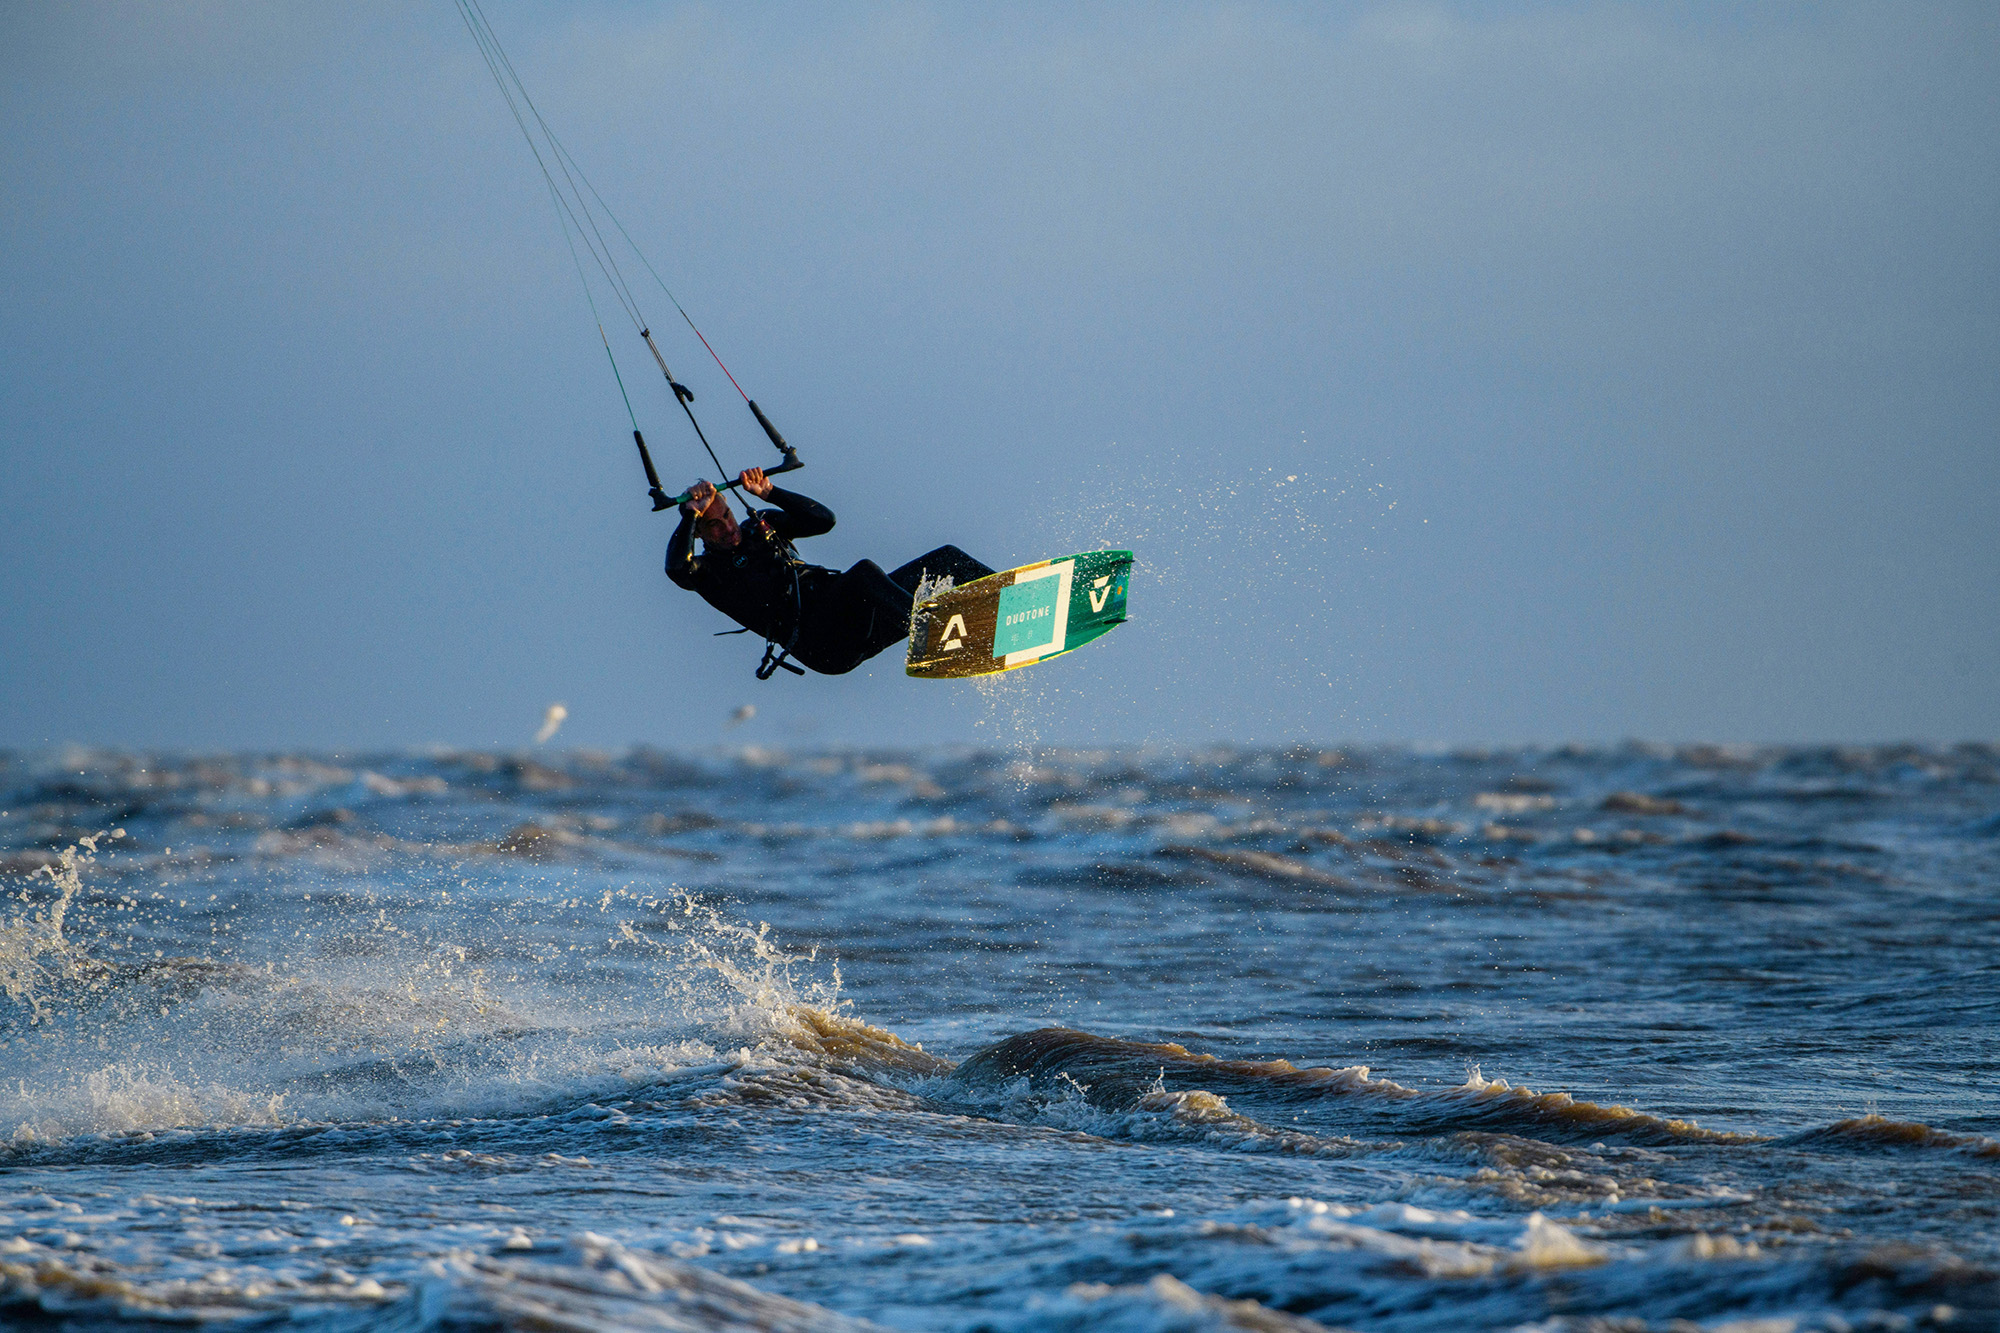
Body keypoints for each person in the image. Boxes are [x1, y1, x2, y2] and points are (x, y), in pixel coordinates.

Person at [666, 467, 993, 675]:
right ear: (699, 534)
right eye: (715, 526)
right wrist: (689, 515)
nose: (727, 527)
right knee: (864, 572)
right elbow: (677, 568)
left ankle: (1010, 599)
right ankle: (935, 636)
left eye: (727, 516)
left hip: (854, 617)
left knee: (947, 559)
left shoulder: (761, 526)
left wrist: (770, 493)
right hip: (821, 641)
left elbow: (823, 520)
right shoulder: (708, 572)